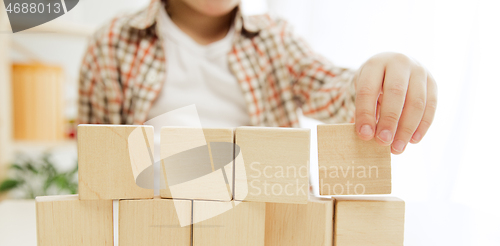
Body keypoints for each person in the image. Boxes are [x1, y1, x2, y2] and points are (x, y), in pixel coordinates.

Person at [78, 0, 437, 155]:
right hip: (152, 228)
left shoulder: (276, 39)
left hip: (266, 231)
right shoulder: (113, 41)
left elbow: (333, 90)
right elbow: (99, 159)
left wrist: (375, 80)